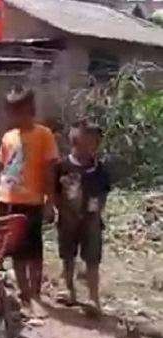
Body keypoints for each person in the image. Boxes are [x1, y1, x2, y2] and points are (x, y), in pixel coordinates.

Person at [0, 86, 59, 313]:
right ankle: (23, 292)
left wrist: (50, 201)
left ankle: (35, 292)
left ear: (30, 109)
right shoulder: (8, 137)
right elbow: (1, 167)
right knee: (15, 249)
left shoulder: (43, 134)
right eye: (11, 111)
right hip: (7, 200)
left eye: (19, 110)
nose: (14, 116)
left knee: (33, 250)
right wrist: (0, 198)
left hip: (31, 201)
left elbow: (50, 169)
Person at [55, 120, 111, 316]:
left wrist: (96, 211)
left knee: (92, 259)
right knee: (68, 256)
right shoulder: (63, 166)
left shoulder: (100, 170)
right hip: (68, 220)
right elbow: (55, 193)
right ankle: (69, 289)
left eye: (93, 144)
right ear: (74, 142)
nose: (89, 148)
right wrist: (63, 210)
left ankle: (93, 298)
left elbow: (104, 193)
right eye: (84, 143)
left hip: (91, 222)